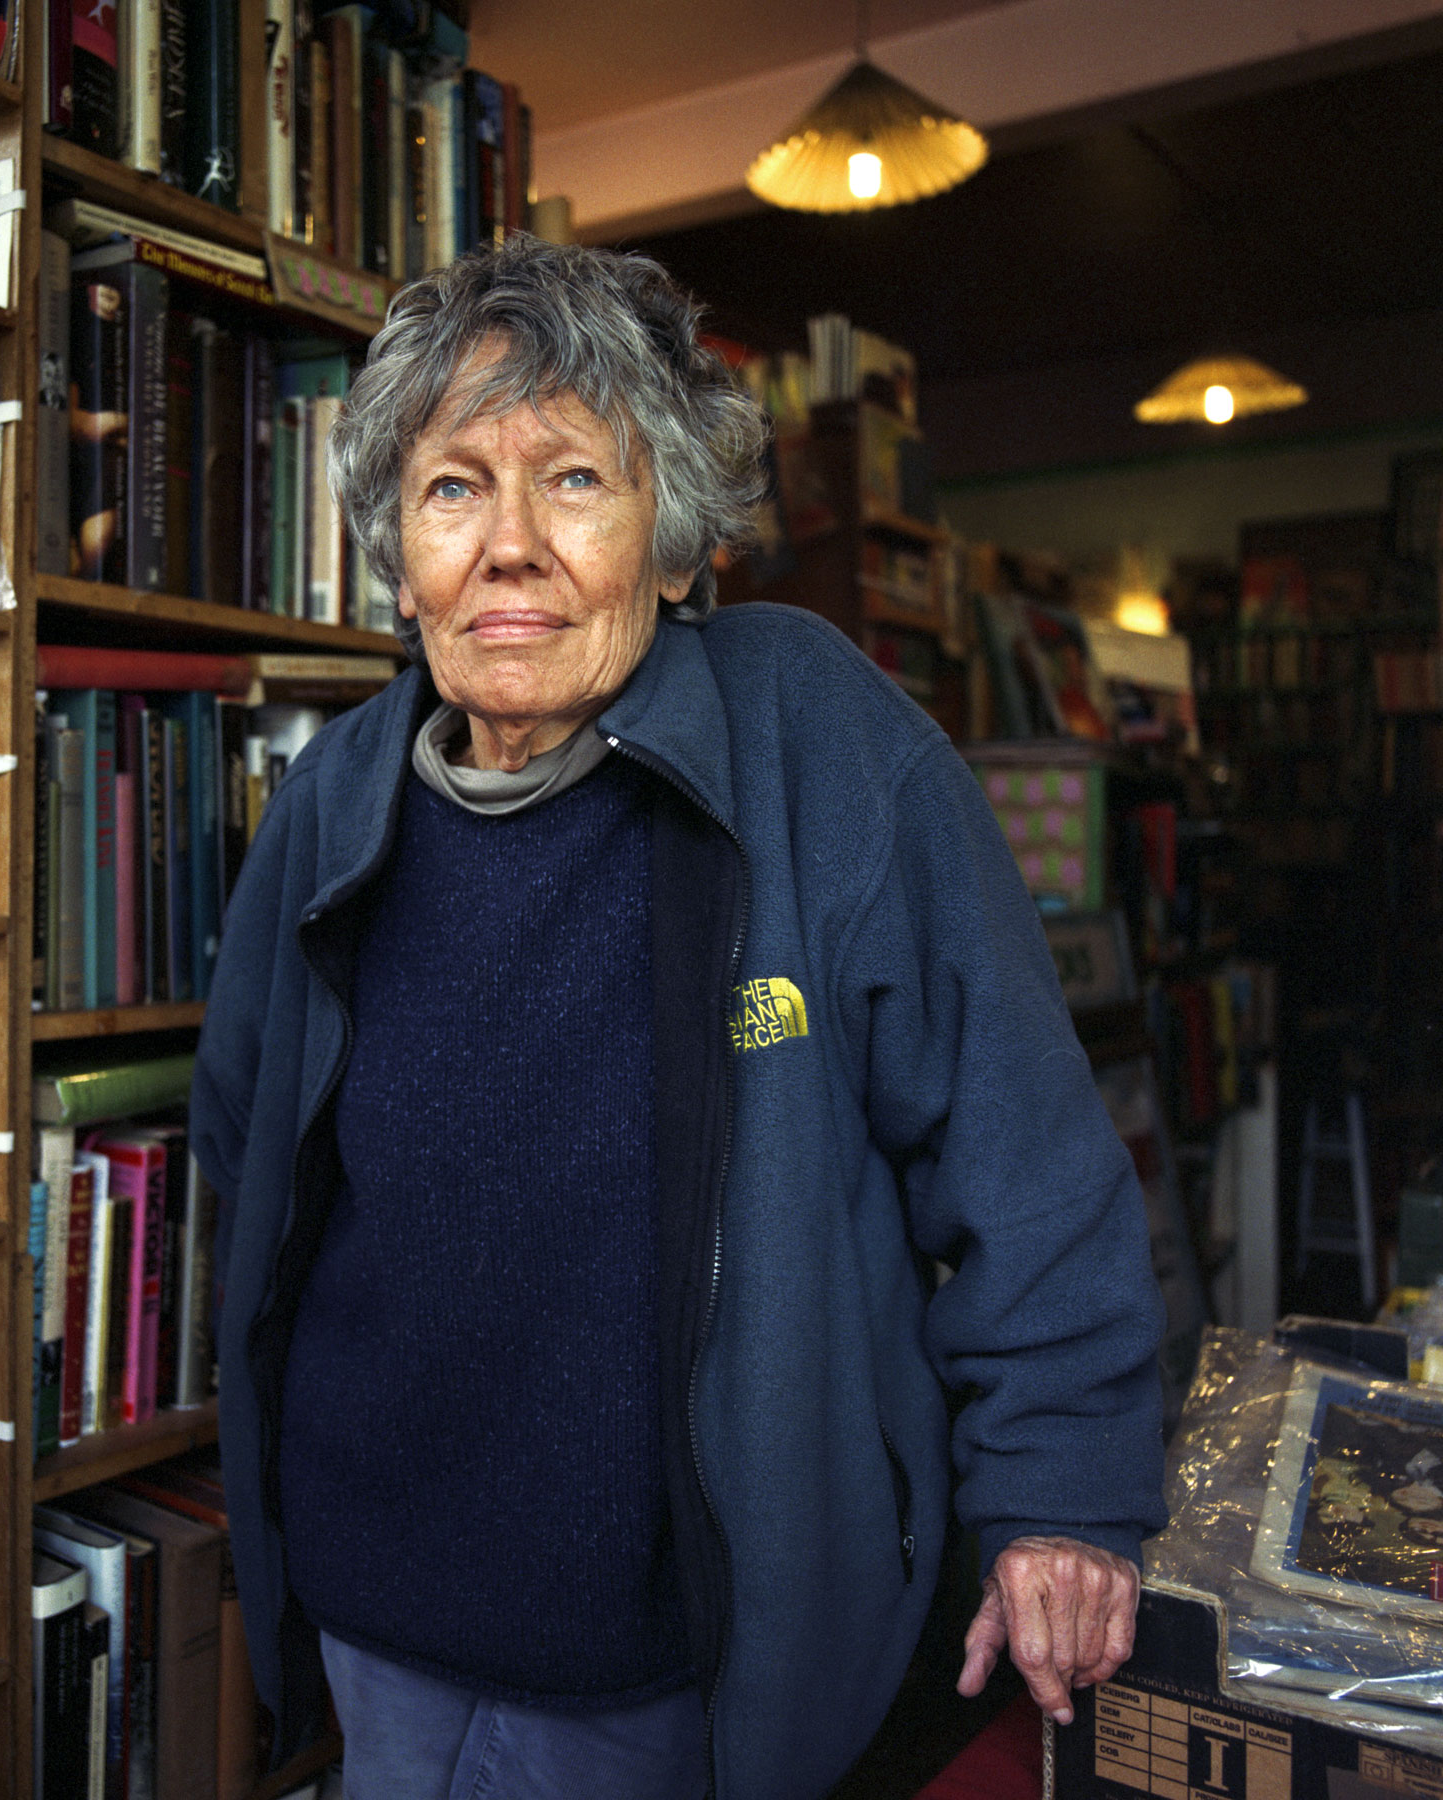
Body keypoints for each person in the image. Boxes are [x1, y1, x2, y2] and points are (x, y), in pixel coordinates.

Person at [189, 235, 1167, 1800]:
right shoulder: (332, 804)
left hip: (694, 1658)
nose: (510, 547)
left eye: (574, 479)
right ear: (398, 550)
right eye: (453, 490)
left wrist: (1060, 1492)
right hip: (382, 1622)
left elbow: (1023, 1155)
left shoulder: (817, 742)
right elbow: (252, 1151)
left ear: (674, 538)